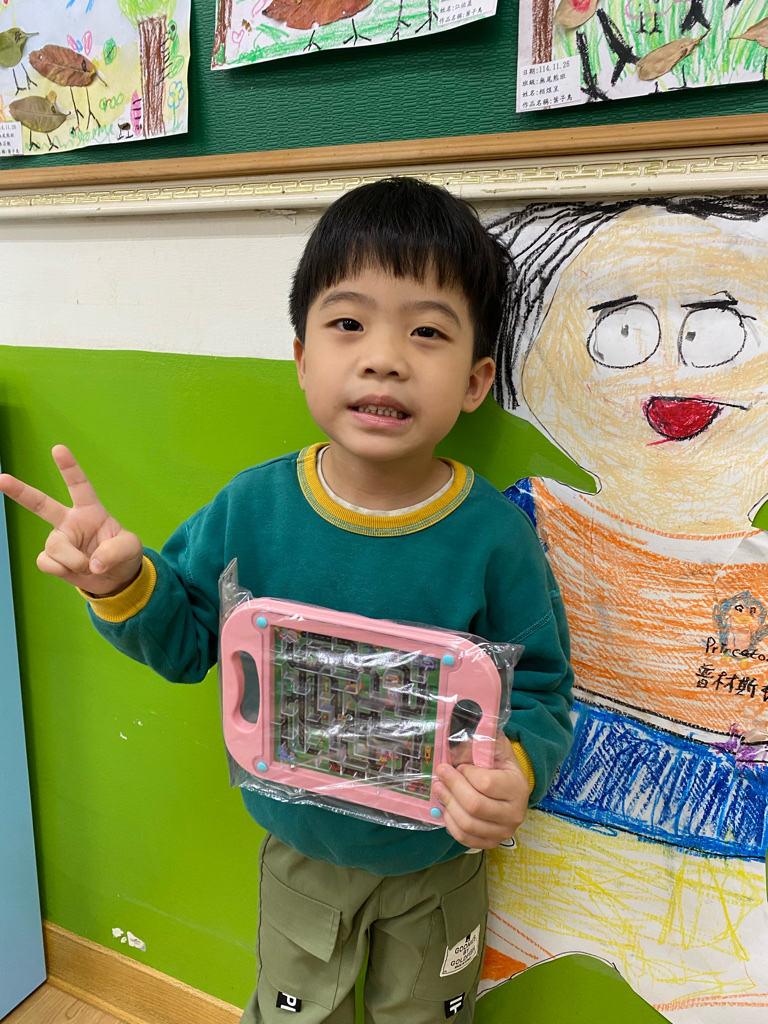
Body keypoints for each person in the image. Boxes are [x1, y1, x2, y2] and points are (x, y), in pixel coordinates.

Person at [0, 177, 574, 1024]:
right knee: (295, 1012)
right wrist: (121, 582)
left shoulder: (495, 537)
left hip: (441, 862)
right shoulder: (253, 509)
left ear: (476, 379)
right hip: (301, 855)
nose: (385, 357)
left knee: (426, 1015)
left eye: (427, 331)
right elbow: (188, 640)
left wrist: (516, 768)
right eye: (349, 324)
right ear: (302, 358)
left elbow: (541, 687)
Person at [479, 196, 768, 1020]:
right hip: (527, 868)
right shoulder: (523, 524)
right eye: (621, 331)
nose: (668, 370)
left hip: (730, 918)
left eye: (716, 329)